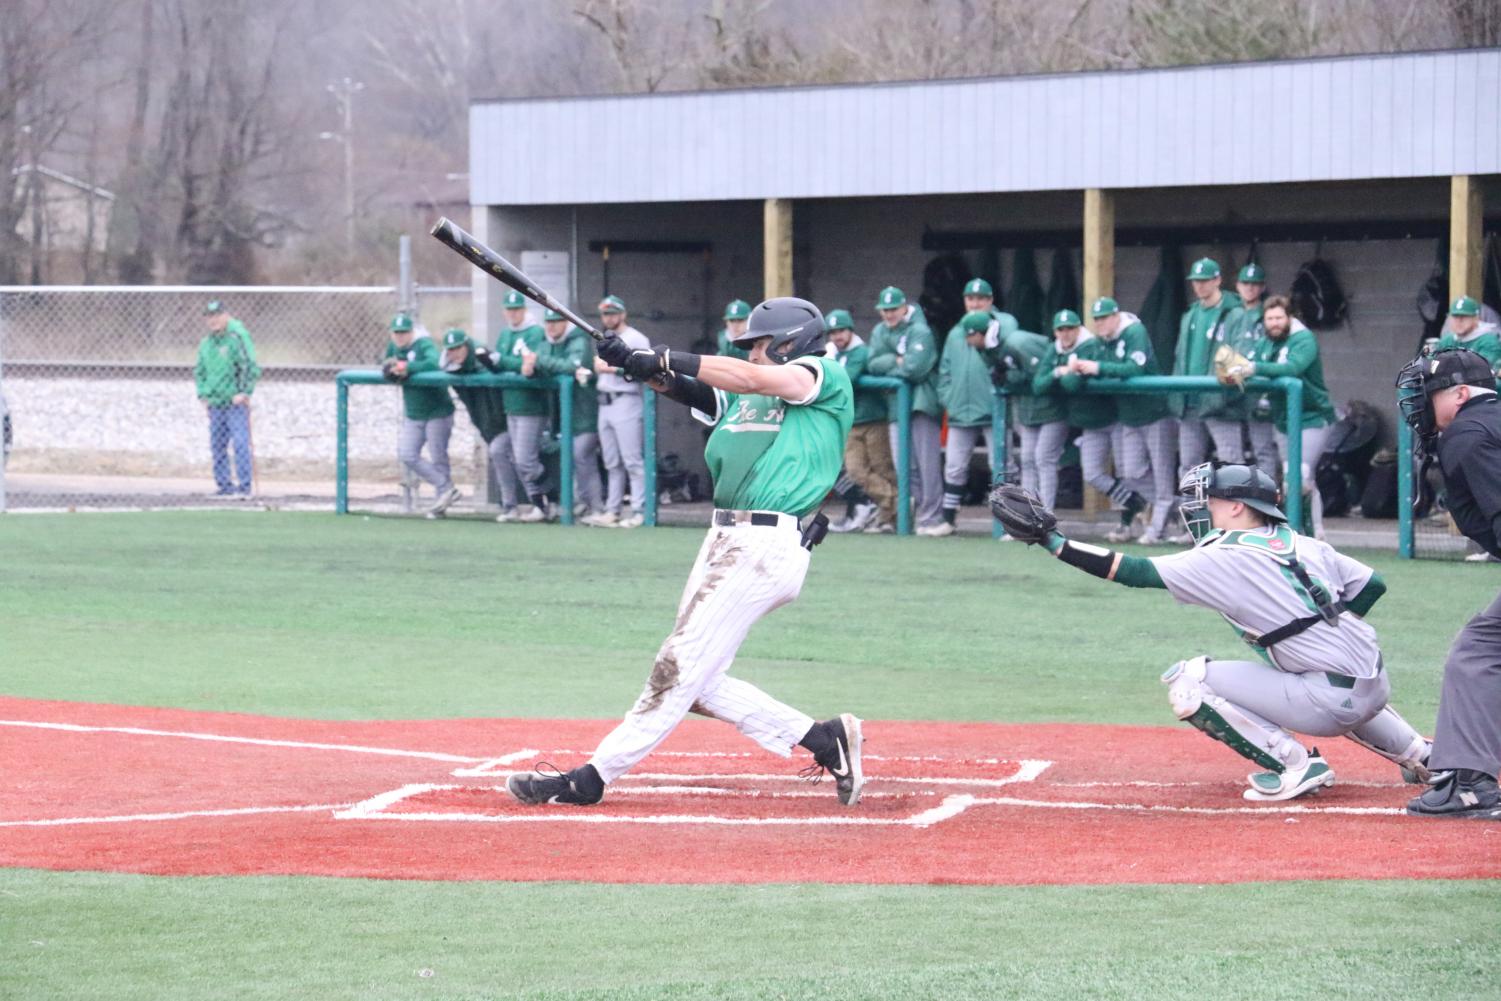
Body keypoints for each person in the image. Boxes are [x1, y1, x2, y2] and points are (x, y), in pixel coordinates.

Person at [506, 297, 865, 808]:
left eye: (762, 344)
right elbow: (693, 388)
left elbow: (748, 378)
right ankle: (823, 739)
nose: (754, 353)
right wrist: (638, 363)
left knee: (677, 663)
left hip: (766, 542)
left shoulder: (820, 377)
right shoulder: (747, 399)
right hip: (725, 539)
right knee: (696, 683)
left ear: (792, 342)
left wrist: (665, 355)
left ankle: (591, 778)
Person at [995, 463, 1432, 802]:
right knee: (1335, 678)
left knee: (1189, 680)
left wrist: (1056, 543)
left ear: (1238, 507)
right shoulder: (1302, 542)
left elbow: (1130, 571)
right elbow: (1373, 585)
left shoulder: (1223, 555)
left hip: (1328, 702)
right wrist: (1327, 630)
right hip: (1375, 688)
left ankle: (1294, 765)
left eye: (1214, 501)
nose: (1205, 509)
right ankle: (1421, 754)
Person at [1396, 347, 1501, 819]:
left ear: (1461, 393)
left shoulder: (1468, 433)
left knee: (1477, 651)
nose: (1423, 403)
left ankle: (1471, 783)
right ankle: (1468, 774)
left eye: (1432, 392)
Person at [1072, 297, 1174, 544]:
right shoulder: (1100, 341)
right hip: (1128, 416)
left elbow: (1134, 368)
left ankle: (1157, 529)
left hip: (1153, 412)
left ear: (1116, 316)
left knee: (1162, 475)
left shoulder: (1133, 331)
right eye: (1097, 319)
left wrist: (1098, 368)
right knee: (1130, 474)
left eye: (1105, 318)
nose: (1101, 323)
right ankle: (1183, 508)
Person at [1239, 296, 1337, 538]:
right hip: (1284, 421)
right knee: (1292, 482)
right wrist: (1237, 371)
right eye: (1270, 318)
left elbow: (1292, 368)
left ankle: (1315, 534)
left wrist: (1254, 368)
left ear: (1289, 317)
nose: (1274, 323)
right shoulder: (1265, 343)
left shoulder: (1304, 339)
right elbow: (1254, 367)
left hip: (1313, 417)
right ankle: (1301, 533)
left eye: (1279, 318)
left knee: (1300, 475)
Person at [1034, 309, 1132, 523]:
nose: (1066, 333)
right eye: (1061, 329)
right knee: (1093, 475)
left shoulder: (1091, 345)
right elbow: (1038, 385)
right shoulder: (1055, 348)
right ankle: (1136, 506)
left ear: (1078, 328)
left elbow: (1072, 385)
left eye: (1070, 328)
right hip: (1090, 424)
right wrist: (1058, 372)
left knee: (1128, 472)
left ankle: (1132, 521)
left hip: (1114, 417)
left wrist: (1066, 373)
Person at [936, 280, 1016, 535]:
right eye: (971, 299)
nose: (975, 303)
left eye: (980, 299)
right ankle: (948, 521)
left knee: (1001, 464)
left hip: (993, 406)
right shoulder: (956, 332)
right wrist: (949, 398)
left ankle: (1011, 523)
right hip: (961, 409)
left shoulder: (1003, 325)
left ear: (990, 300)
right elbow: (945, 370)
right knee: (954, 466)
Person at [865, 285, 944, 533]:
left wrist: (892, 364)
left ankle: (932, 518)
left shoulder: (920, 330)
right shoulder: (879, 331)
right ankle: (914, 517)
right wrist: (894, 360)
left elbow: (914, 368)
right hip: (895, 406)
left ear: (904, 307)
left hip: (921, 403)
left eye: (893, 309)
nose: (889, 314)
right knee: (904, 467)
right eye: (884, 310)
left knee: (927, 464)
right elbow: (872, 364)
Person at [440, 327, 524, 522]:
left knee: (516, 457)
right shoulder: (449, 366)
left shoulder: (482, 358)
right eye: (451, 349)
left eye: (459, 348)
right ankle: (520, 505)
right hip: (486, 422)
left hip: (510, 416)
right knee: (510, 457)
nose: (455, 353)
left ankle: (523, 504)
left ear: (466, 346)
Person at [533, 308, 607, 525]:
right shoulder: (546, 342)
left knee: (584, 456)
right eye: (548, 322)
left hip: (586, 412)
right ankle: (581, 503)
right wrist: (541, 362)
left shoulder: (578, 340)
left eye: (556, 322)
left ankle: (597, 507)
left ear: (565, 322)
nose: (552, 326)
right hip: (562, 416)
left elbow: (571, 366)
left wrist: (541, 361)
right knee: (571, 459)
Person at [382, 312, 460, 517]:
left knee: (438, 457)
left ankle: (440, 504)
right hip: (414, 411)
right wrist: (392, 370)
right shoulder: (394, 347)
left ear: (411, 332)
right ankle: (446, 487)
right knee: (407, 453)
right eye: (396, 333)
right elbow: (386, 363)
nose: (400, 337)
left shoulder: (423, 343)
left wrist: (407, 367)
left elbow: (434, 363)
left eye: (404, 333)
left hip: (437, 409)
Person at [1171, 258, 1243, 478]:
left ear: (1217, 280)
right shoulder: (1190, 314)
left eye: (1205, 280)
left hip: (1218, 401)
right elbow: (1180, 357)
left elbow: (1238, 358)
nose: (1199, 285)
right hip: (1189, 402)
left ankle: (1238, 512)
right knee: (1188, 466)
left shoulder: (1234, 313)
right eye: (1196, 281)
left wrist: (1226, 395)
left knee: (1231, 462)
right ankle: (1192, 512)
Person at [975, 316, 1056, 508]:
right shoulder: (990, 349)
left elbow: (1038, 378)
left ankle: (1047, 516)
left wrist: (1009, 375)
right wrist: (1006, 375)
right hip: (1028, 410)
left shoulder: (1018, 341)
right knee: (1028, 460)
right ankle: (1030, 516)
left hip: (1052, 409)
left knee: (1043, 460)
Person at [827, 308, 894, 533]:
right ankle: (896, 502)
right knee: (855, 471)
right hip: (850, 422)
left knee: (883, 467)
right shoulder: (830, 353)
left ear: (850, 331)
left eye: (842, 330)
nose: (838, 336)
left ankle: (889, 518)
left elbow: (847, 378)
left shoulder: (861, 351)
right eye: (833, 332)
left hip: (873, 418)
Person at [592, 295, 649, 528]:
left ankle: (639, 510)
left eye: (613, 313)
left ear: (623, 314)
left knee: (632, 460)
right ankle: (612, 510)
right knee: (611, 462)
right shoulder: (602, 337)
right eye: (605, 314)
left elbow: (646, 370)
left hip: (627, 399)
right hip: (604, 402)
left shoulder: (636, 338)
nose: (609, 318)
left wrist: (612, 369)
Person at [495, 291, 552, 522]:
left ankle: (549, 499)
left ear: (524, 309)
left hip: (532, 405)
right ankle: (515, 505)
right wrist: (495, 361)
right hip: (511, 404)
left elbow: (527, 364)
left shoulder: (535, 331)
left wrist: (503, 362)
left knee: (525, 460)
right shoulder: (505, 333)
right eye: (509, 310)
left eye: (517, 309)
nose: (513, 314)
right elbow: (499, 363)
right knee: (500, 450)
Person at [194, 300, 260, 497]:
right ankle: (224, 486)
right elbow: (200, 371)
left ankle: (244, 487)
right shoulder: (206, 343)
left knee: (240, 443)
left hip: (234, 402)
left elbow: (249, 365)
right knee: (217, 445)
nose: (213, 320)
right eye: (209, 316)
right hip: (215, 402)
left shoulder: (237, 337)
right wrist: (203, 394)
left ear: (226, 316)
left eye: (217, 315)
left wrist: (244, 391)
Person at [1224, 263, 1280, 479]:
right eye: (1245, 283)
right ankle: (1238, 503)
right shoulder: (1231, 314)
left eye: (1255, 284)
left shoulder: (1269, 315)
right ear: (1238, 286)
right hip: (1231, 392)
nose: (1250, 288)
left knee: (1263, 449)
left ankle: (1267, 503)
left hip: (1258, 391)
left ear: (1262, 287)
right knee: (1230, 453)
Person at [1436, 295, 1501, 372]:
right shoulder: (1446, 340)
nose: (1459, 321)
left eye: (1464, 317)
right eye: (1455, 317)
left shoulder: (1488, 341)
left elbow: (1482, 370)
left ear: (1476, 318)